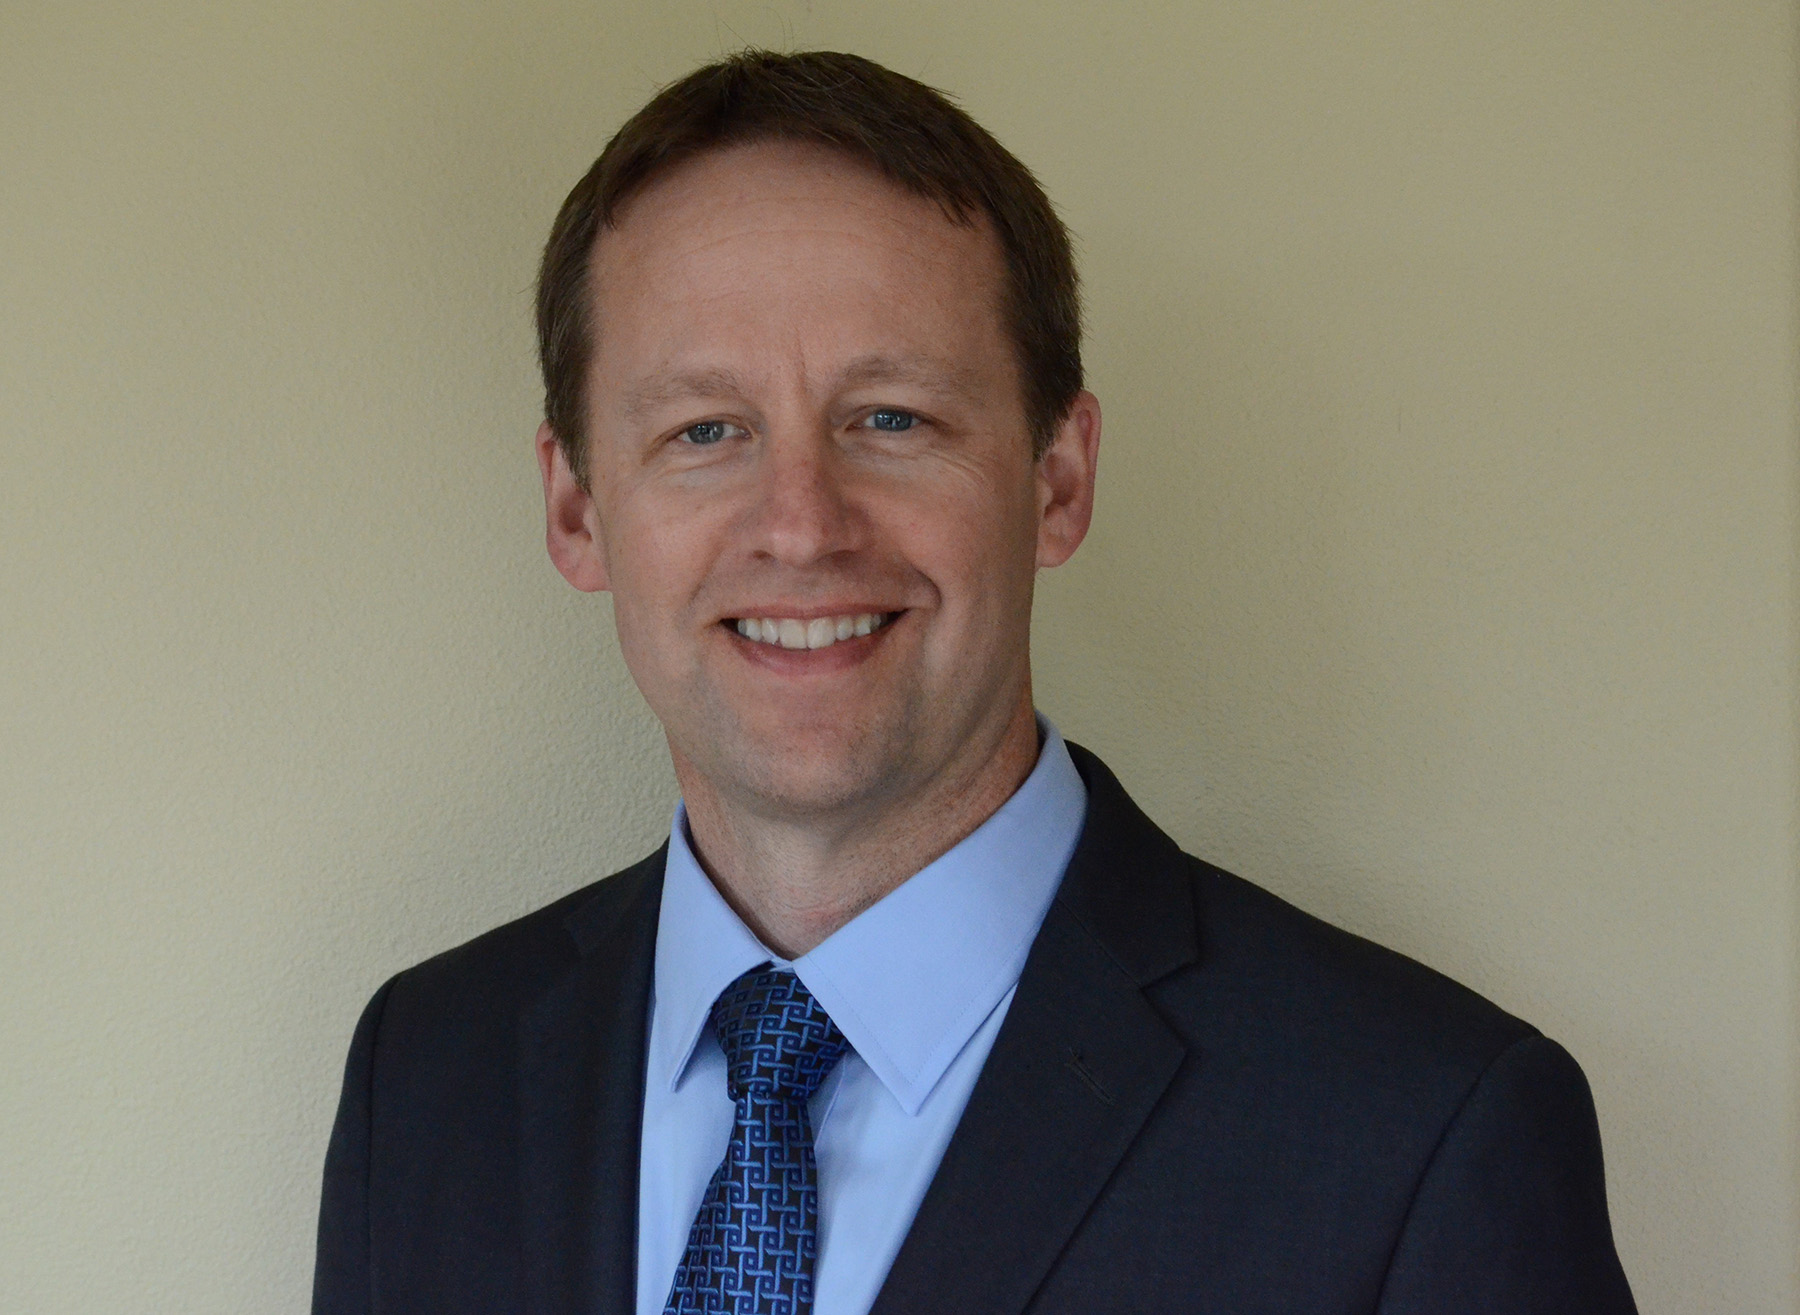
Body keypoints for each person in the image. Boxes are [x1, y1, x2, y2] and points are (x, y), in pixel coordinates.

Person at [312, 49, 1636, 1315]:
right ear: (575, 511)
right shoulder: (429, 1076)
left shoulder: (1417, 1138)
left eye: (893, 419)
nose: (802, 524)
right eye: (704, 431)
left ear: (1057, 481)